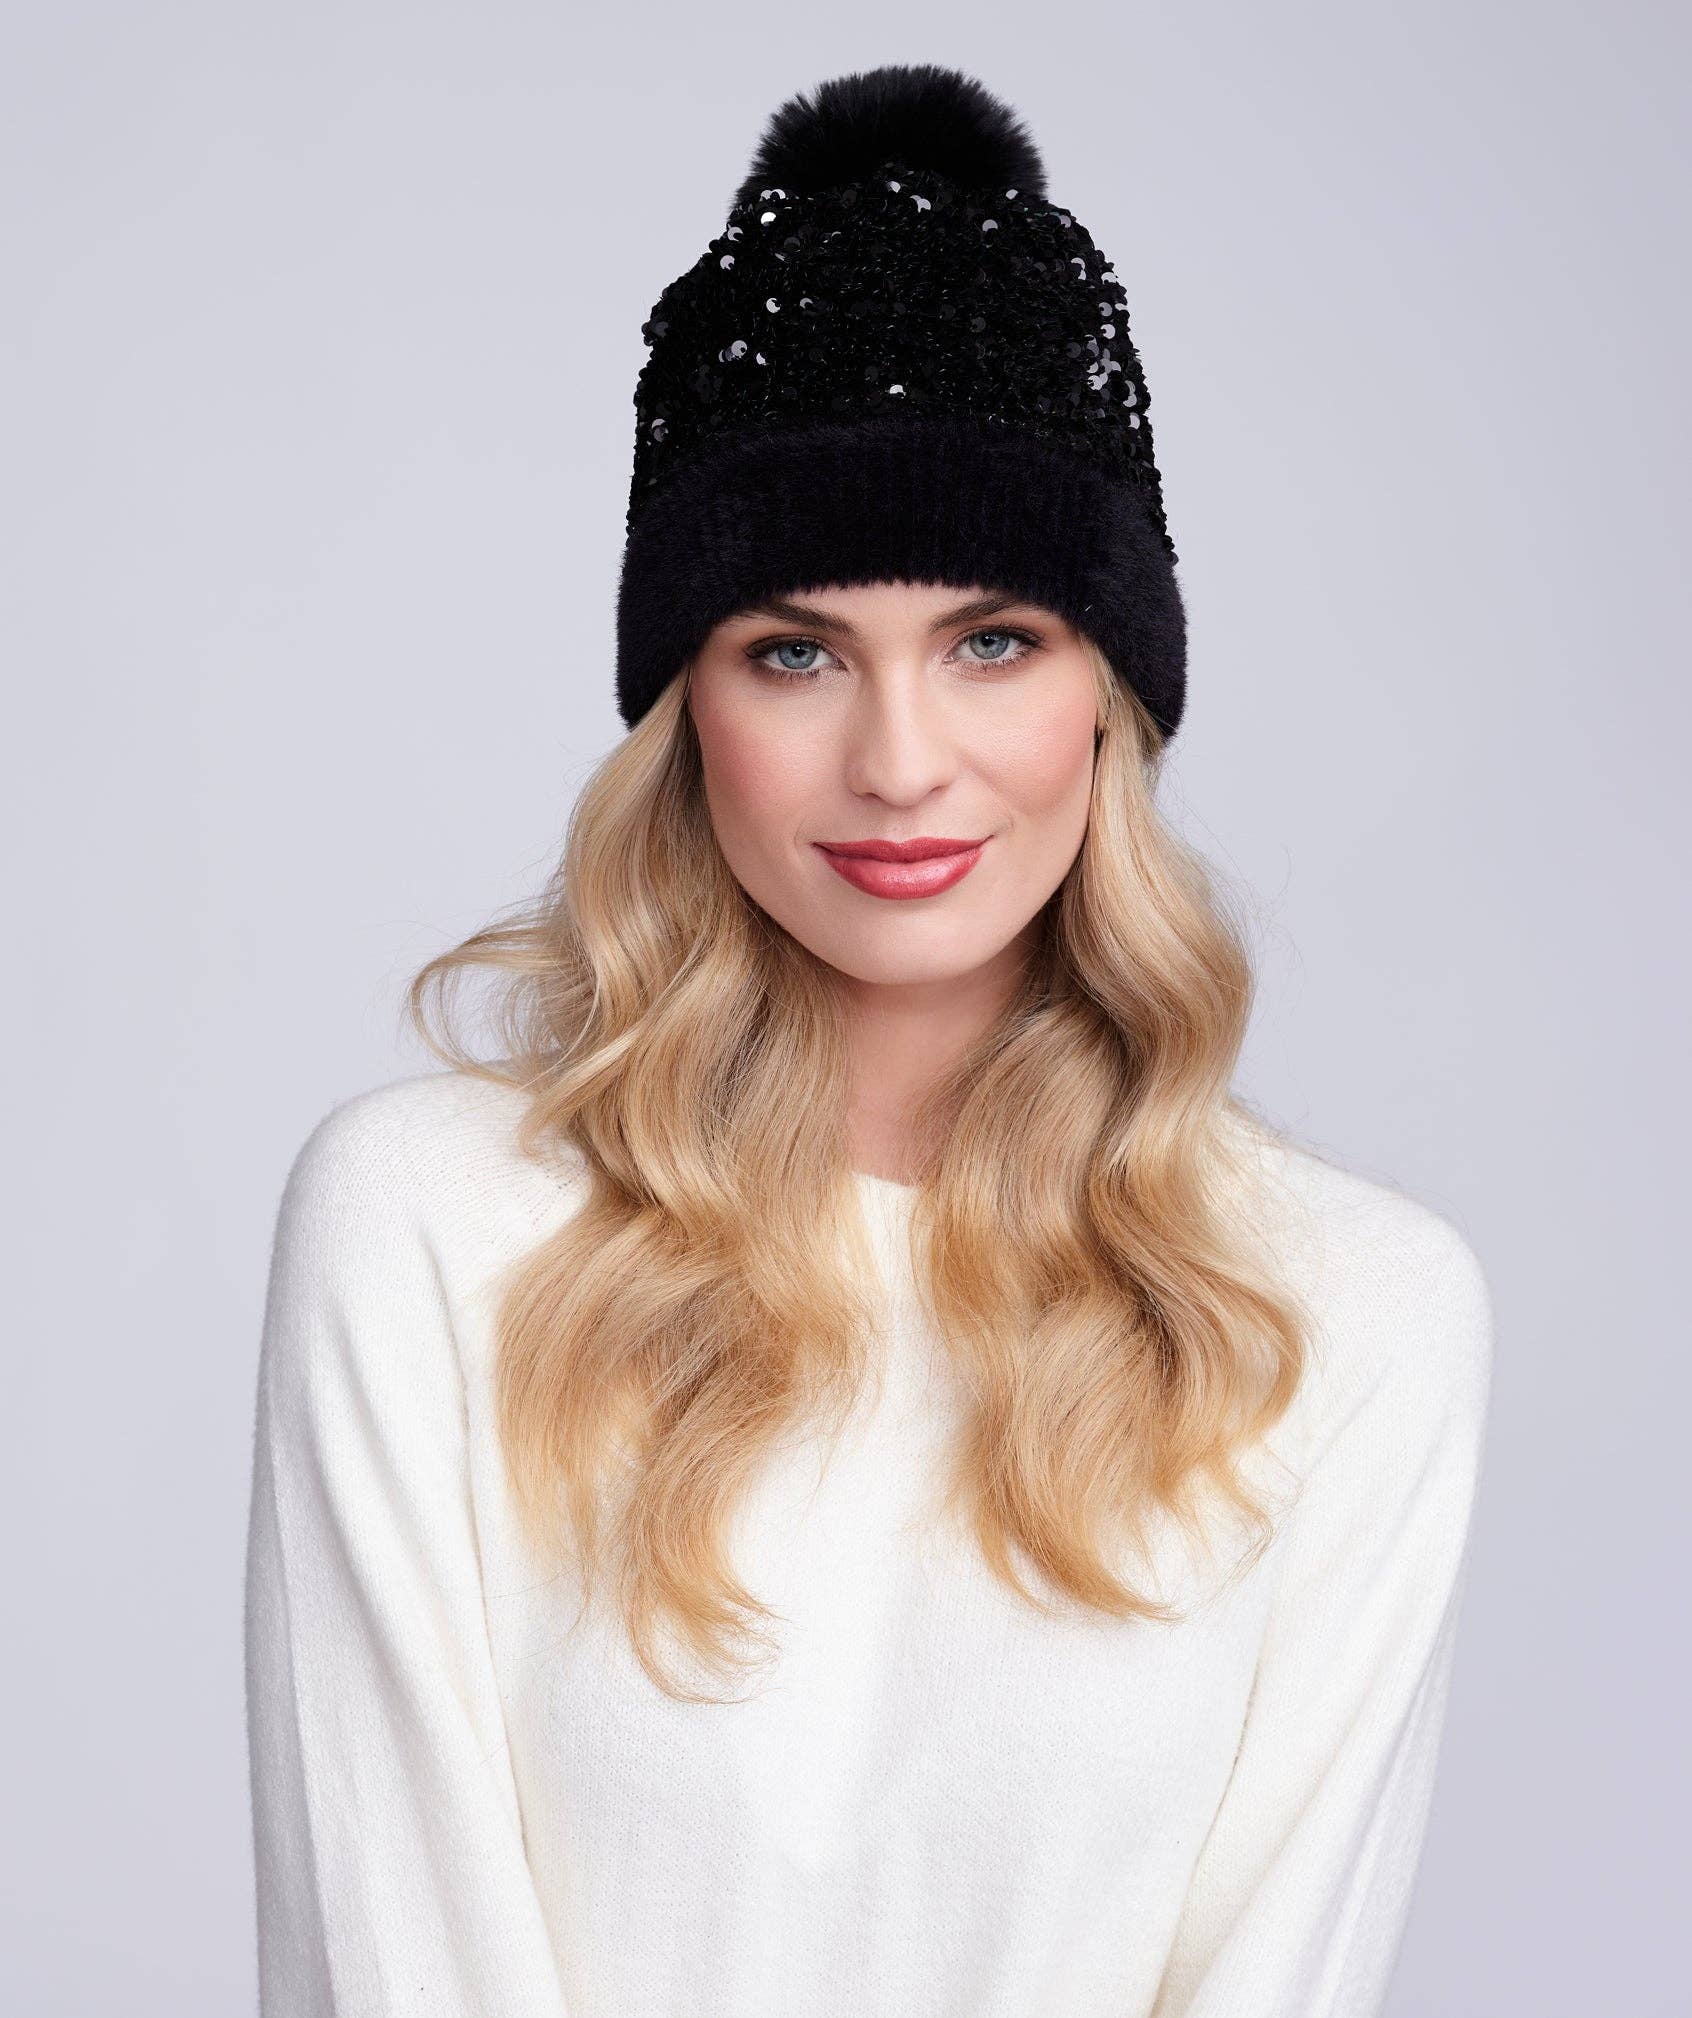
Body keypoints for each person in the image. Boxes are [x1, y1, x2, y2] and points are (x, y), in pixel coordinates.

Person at [243, 62, 1493, 2018]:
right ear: (687, 709)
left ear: (1109, 693)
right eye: (796, 651)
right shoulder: (428, 1231)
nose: (900, 761)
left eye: (993, 639)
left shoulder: (1346, 1318)